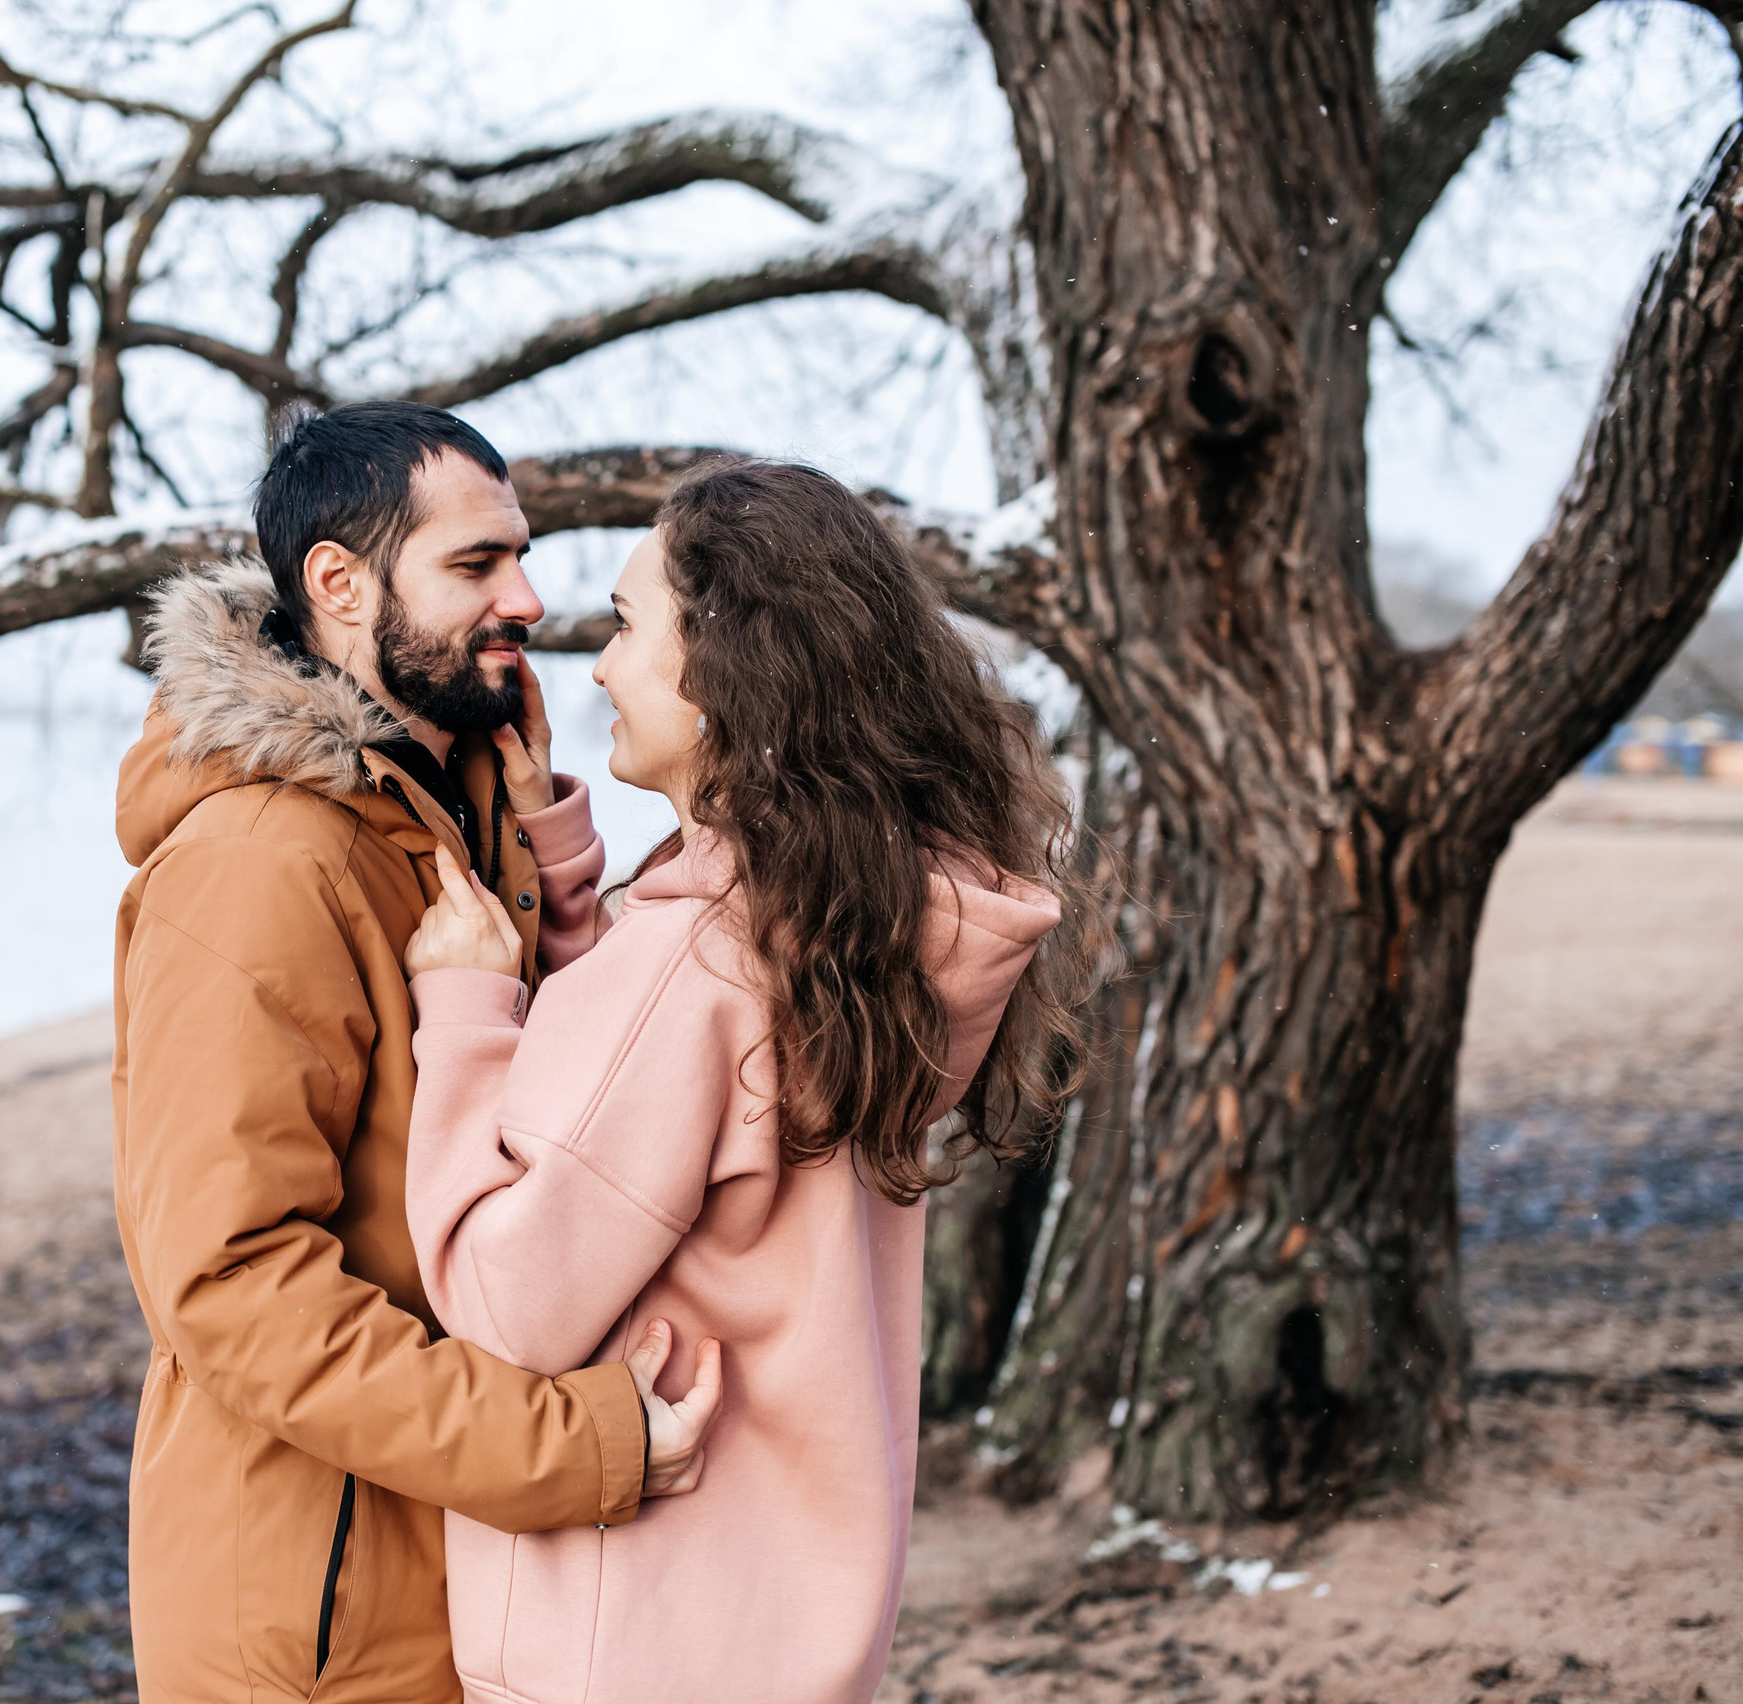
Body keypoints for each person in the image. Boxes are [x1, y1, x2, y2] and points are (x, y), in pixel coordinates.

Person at [402, 457, 1091, 1704]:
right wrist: (567, 883)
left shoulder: (696, 964)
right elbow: (681, 1127)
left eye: (624, 626)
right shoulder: (862, 927)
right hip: (786, 1617)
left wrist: (459, 1012)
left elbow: (503, 1303)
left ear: (724, 669)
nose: (599, 667)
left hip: (631, 1640)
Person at [110, 401, 723, 1704]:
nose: (528, 597)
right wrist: (568, 1449)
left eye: (523, 554)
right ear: (338, 585)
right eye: (476, 564)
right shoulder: (256, 865)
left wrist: (554, 856)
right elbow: (234, 1288)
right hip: (312, 1621)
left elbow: (529, 1128)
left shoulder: (449, 807)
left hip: (457, 1563)